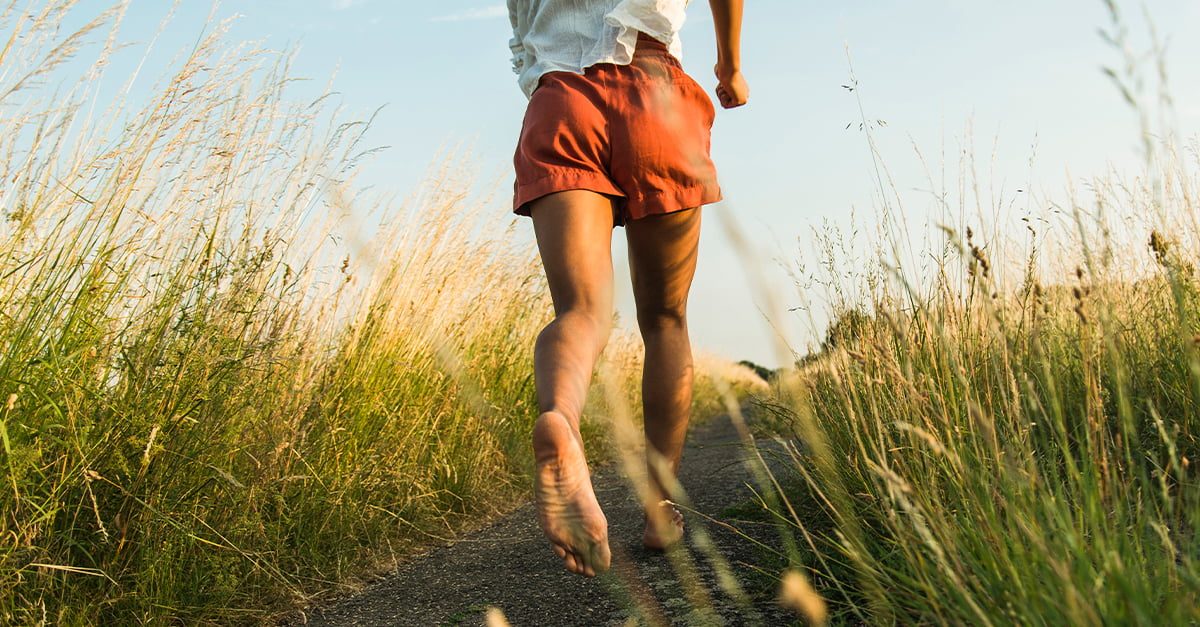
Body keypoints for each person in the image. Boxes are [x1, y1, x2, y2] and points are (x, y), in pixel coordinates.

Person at [507, 0, 748, 577]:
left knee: (581, 311)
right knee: (665, 318)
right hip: (654, 91)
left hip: (561, 100)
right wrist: (729, 65)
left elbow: (522, 36)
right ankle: (659, 510)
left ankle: (561, 419)